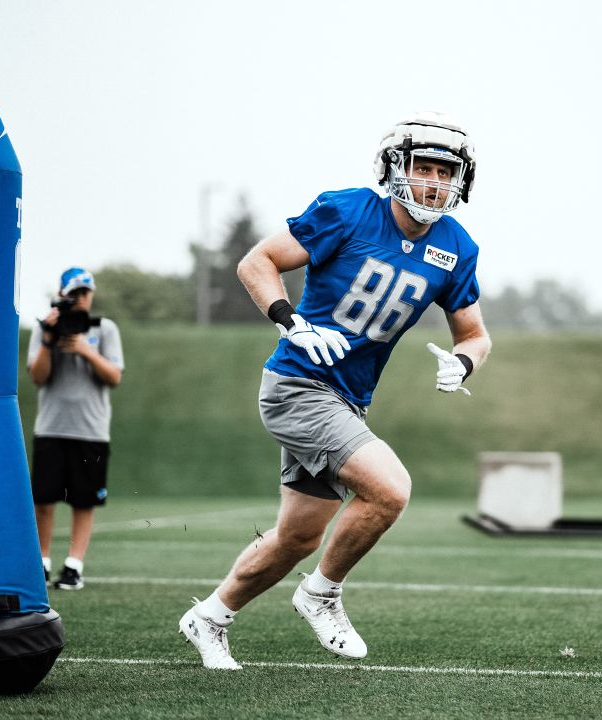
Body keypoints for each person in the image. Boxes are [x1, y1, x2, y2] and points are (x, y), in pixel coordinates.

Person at [178, 111, 492, 670]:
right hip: (298, 384)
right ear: (395, 166)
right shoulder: (348, 210)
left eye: (448, 173)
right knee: (390, 489)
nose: (436, 183)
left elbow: (474, 334)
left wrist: (464, 364)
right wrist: (289, 320)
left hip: (348, 398)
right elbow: (259, 262)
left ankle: (209, 616)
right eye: (426, 168)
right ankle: (320, 594)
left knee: (295, 539)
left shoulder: (457, 247)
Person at [26, 267, 124, 590]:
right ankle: (41, 563)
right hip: (52, 427)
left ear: (91, 294)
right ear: (62, 294)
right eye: (74, 293)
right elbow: (38, 377)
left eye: (85, 292)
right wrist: (49, 340)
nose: (80, 298)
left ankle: (74, 566)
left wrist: (84, 349)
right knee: (43, 499)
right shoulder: (46, 328)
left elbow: (114, 376)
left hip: (91, 430)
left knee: (84, 501)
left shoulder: (104, 328)